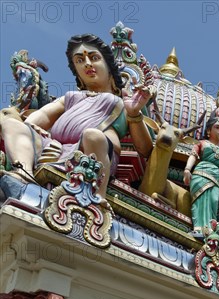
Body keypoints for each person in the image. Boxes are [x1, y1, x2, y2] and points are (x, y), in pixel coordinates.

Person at [0, 33, 154, 201]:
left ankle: (96, 198)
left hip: (91, 153)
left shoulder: (125, 102)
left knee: (93, 136)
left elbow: (145, 149)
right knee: (11, 125)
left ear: (109, 65)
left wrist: (133, 114)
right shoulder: (70, 98)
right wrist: (30, 126)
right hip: (55, 147)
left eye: (94, 58)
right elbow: (42, 115)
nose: (87, 64)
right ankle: (23, 176)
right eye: (79, 60)